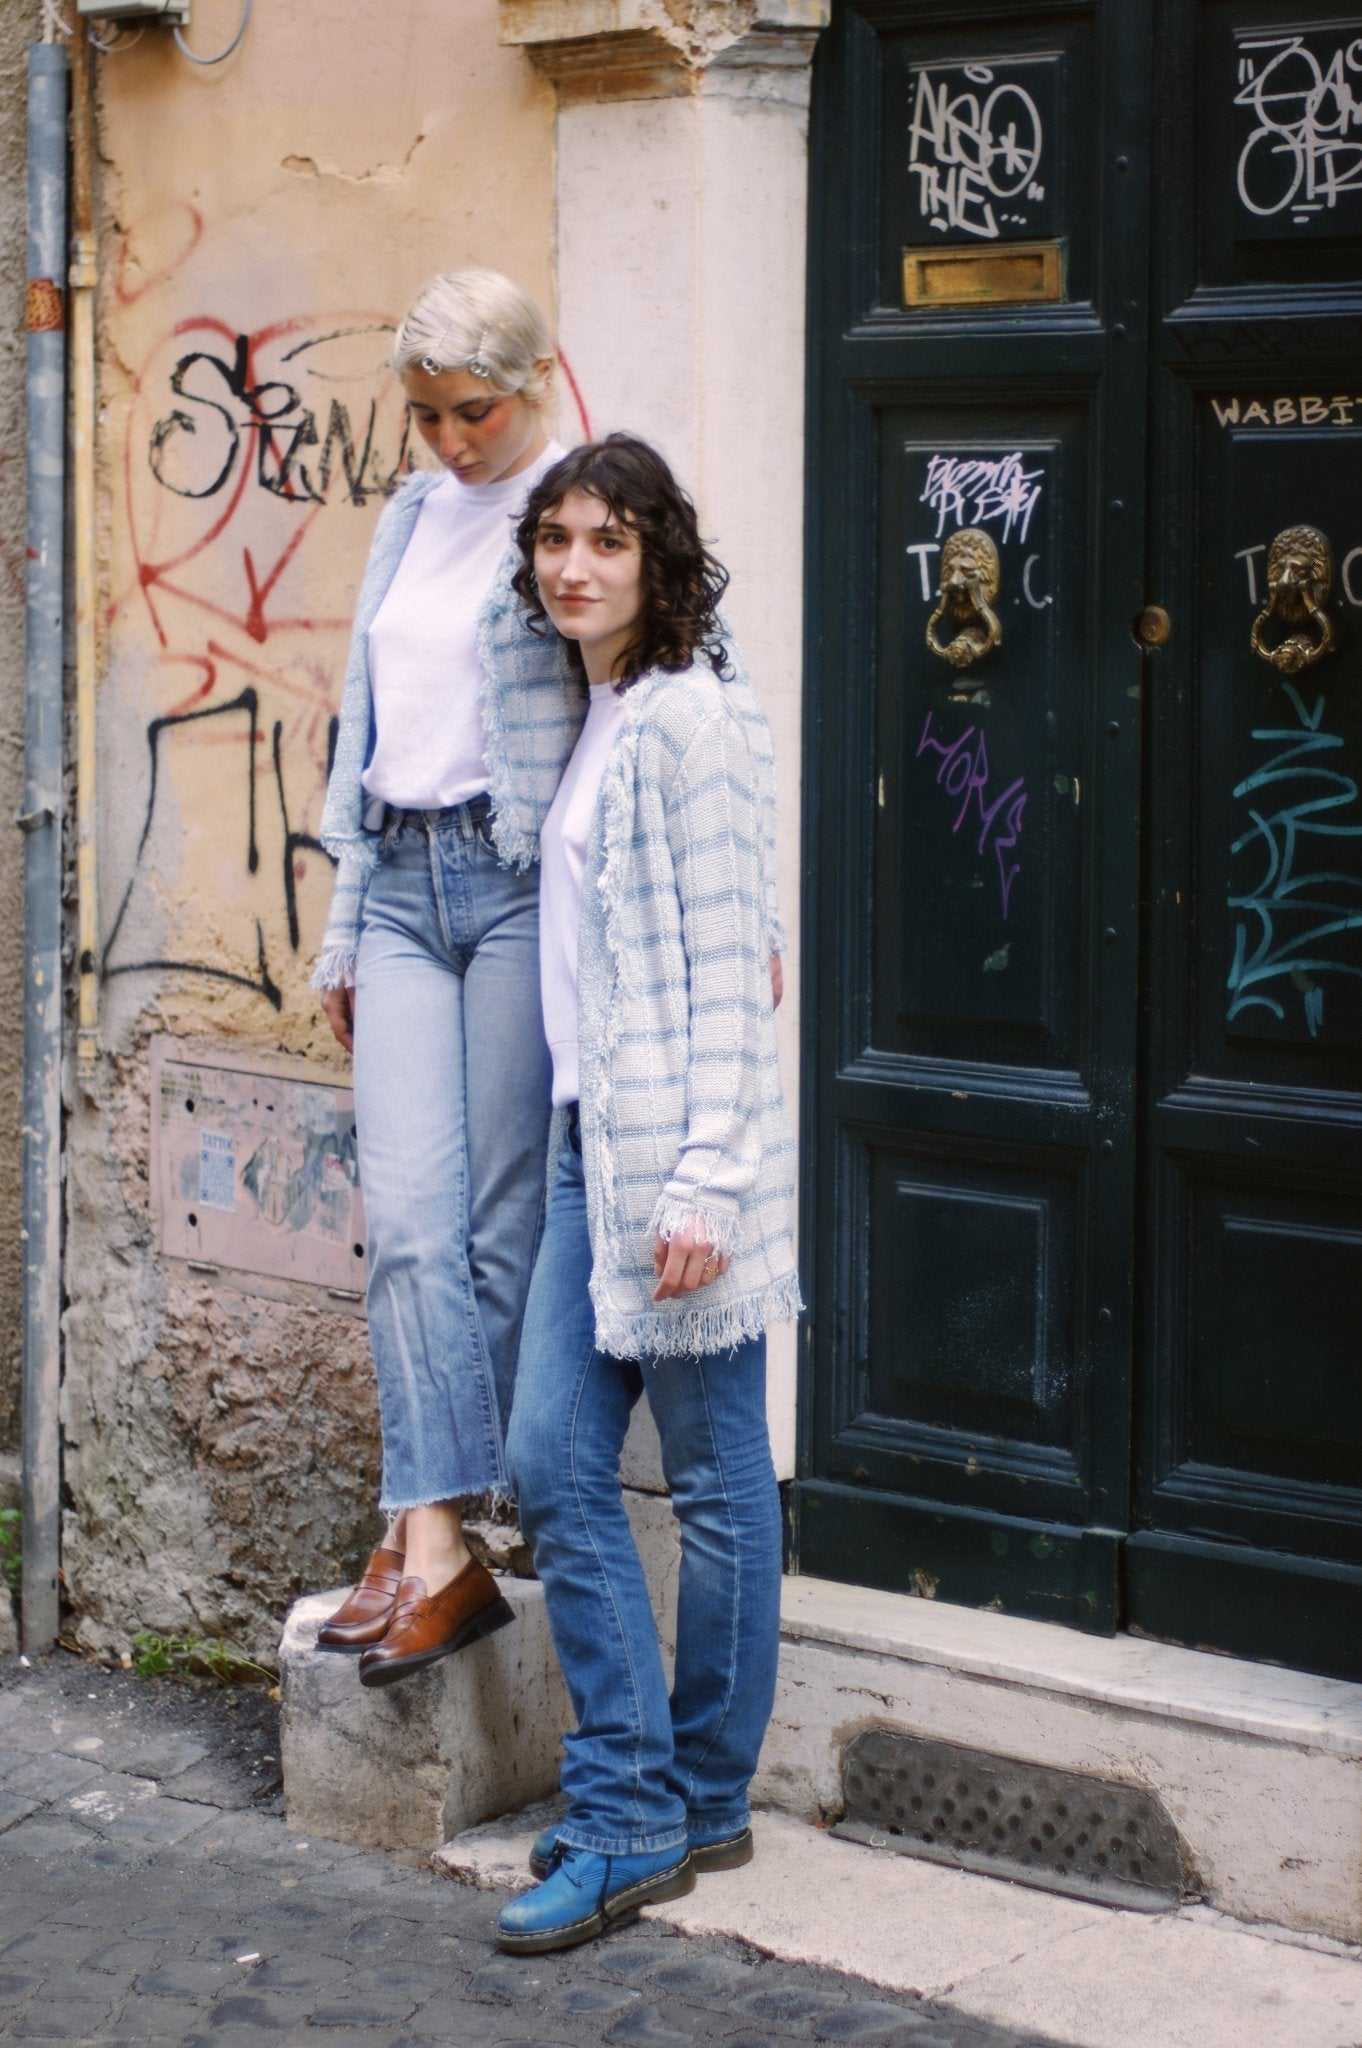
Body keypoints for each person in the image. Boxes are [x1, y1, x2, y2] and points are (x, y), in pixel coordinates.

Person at [495, 436, 802, 1956]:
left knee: (716, 1477)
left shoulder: (693, 721)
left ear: (657, 555)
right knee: (554, 1454)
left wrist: (706, 1182)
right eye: (553, 538)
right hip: (587, 1141)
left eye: (604, 541)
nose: (571, 567)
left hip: (674, 1161)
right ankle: (668, 1794)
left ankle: (654, 1807)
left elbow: (745, 980)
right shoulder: (602, 704)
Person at [310, 268, 587, 1686]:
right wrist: (345, 924)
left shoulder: (580, 515)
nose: (451, 443)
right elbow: (366, 724)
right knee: (409, 1224)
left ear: (536, 380)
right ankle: (436, 1540)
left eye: (472, 411)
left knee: (494, 1226)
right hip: (405, 886)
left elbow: (660, 695)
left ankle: (419, 1539)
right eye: (425, 417)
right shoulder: (409, 516)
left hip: (518, 881)